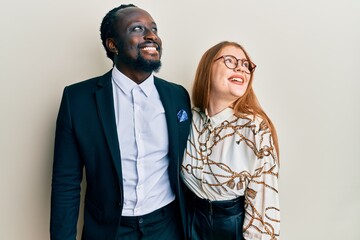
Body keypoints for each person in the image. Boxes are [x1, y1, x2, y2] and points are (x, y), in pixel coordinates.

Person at [50, 4, 191, 240]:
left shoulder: (177, 96)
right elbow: (66, 182)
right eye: (138, 29)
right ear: (112, 44)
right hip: (108, 230)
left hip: (167, 227)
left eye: (154, 29)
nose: (151, 36)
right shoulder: (77, 99)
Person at [181, 41, 280, 240]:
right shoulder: (188, 119)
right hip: (188, 226)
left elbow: (264, 204)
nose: (240, 68)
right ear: (208, 68)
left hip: (231, 230)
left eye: (246, 65)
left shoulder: (254, 128)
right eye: (230, 61)